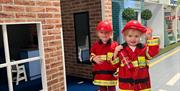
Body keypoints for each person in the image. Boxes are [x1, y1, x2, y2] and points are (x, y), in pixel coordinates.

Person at [112, 20, 160, 91]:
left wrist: (150, 38)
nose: (133, 39)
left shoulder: (143, 48)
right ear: (125, 36)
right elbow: (115, 65)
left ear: (140, 36)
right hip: (126, 86)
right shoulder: (121, 50)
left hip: (143, 85)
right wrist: (116, 52)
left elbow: (152, 53)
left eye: (136, 36)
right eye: (130, 36)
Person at [90, 20, 123, 91]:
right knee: (102, 89)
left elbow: (119, 60)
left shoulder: (115, 45)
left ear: (111, 33)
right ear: (97, 33)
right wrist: (93, 58)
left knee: (112, 89)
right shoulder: (95, 46)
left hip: (111, 75)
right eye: (101, 32)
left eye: (107, 32)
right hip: (100, 75)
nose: (104, 35)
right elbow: (91, 55)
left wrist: (119, 71)